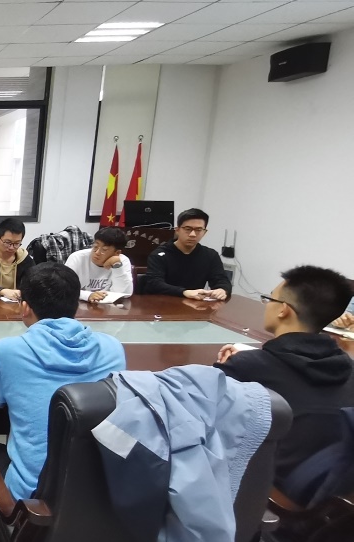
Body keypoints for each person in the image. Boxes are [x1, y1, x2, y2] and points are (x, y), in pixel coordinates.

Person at [0, 263, 126, 501]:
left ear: (25, 307)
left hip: (35, 499)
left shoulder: (7, 351)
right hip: (102, 493)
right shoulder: (113, 347)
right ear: (76, 305)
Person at [216, 265, 354, 486]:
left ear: (283, 310)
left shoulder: (246, 368)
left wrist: (227, 371)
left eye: (269, 298)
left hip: (266, 488)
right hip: (330, 487)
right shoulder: (348, 367)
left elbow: (206, 427)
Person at [144, 208, 231, 300]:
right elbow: (154, 283)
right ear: (177, 230)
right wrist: (184, 292)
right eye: (188, 229)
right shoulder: (159, 254)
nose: (193, 234)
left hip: (195, 304)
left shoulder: (210, 255)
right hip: (162, 303)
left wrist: (222, 289)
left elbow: (221, 279)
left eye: (198, 230)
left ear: (204, 232)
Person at [65, 226, 134, 301]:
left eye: (104, 250)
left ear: (117, 253)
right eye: (95, 247)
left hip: (108, 306)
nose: (97, 252)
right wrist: (88, 295)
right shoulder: (77, 258)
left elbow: (125, 293)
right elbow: (64, 289)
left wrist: (117, 267)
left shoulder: (122, 261)